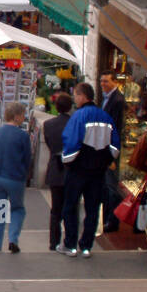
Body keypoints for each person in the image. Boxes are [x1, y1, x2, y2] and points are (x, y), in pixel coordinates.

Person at [56, 82, 119, 258]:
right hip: (98, 173)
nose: (75, 99)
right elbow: (115, 146)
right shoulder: (105, 116)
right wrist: (105, 160)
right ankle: (86, 246)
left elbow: (70, 141)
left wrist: (67, 161)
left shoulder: (79, 116)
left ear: (83, 96)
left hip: (78, 170)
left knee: (70, 207)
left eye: (76, 95)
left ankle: (70, 245)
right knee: (93, 209)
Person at [0, 102, 31, 253]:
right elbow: (27, 159)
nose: (24, 117)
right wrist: (26, 175)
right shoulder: (23, 135)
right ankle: (13, 238)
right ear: (17, 116)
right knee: (17, 209)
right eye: (23, 114)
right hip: (15, 178)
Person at [42, 92, 73, 251]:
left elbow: (48, 143)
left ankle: (53, 242)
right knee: (70, 207)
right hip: (72, 169)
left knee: (55, 209)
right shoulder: (75, 124)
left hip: (55, 167)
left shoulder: (48, 125)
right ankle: (69, 241)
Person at [99, 73, 126, 233]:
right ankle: (107, 217)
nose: (103, 84)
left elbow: (114, 127)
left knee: (111, 186)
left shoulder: (117, 100)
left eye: (106, 81)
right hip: (105, 148)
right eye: (101, 81)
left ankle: (113, 219)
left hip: (111, 150)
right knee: (106, 185)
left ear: (114, 82)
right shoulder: (108, 98)